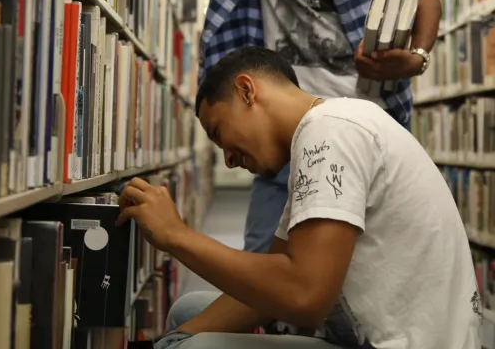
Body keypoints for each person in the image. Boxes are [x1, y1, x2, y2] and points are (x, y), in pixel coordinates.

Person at [120, 0, 442, 333]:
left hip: (357, 119)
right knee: (258, 280)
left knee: (340, 280)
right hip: (281, 128)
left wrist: (418, 57)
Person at [116, 47, 481, 349]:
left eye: (218, 132)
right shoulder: (326, 132)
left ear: (247, 91)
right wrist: (169, 341)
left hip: (409, 342)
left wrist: (177, 236)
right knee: (187, 315)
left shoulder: (329, 133)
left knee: (196, 348)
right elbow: (268, 286)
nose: (227, 157)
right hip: (380, 333)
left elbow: (305, 297)